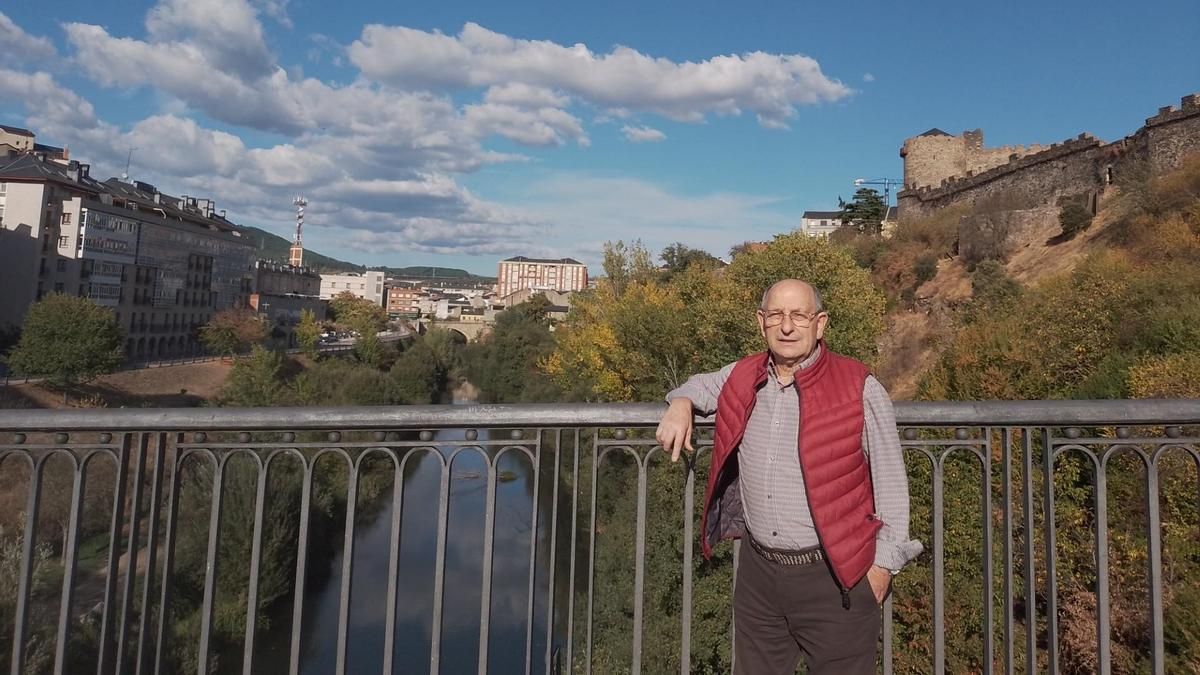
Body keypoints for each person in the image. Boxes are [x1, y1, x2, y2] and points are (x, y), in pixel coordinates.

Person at [656, 278, 922, 675]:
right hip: (758, 576)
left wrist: (881, 568)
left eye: (799, 315)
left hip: (835, 579)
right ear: (761, 321)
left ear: (821, 323)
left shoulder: (860, 387)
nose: (787, 326)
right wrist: (680, 403)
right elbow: (699, 385)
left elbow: (892, 484)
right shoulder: (743, 374)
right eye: (777, 315)